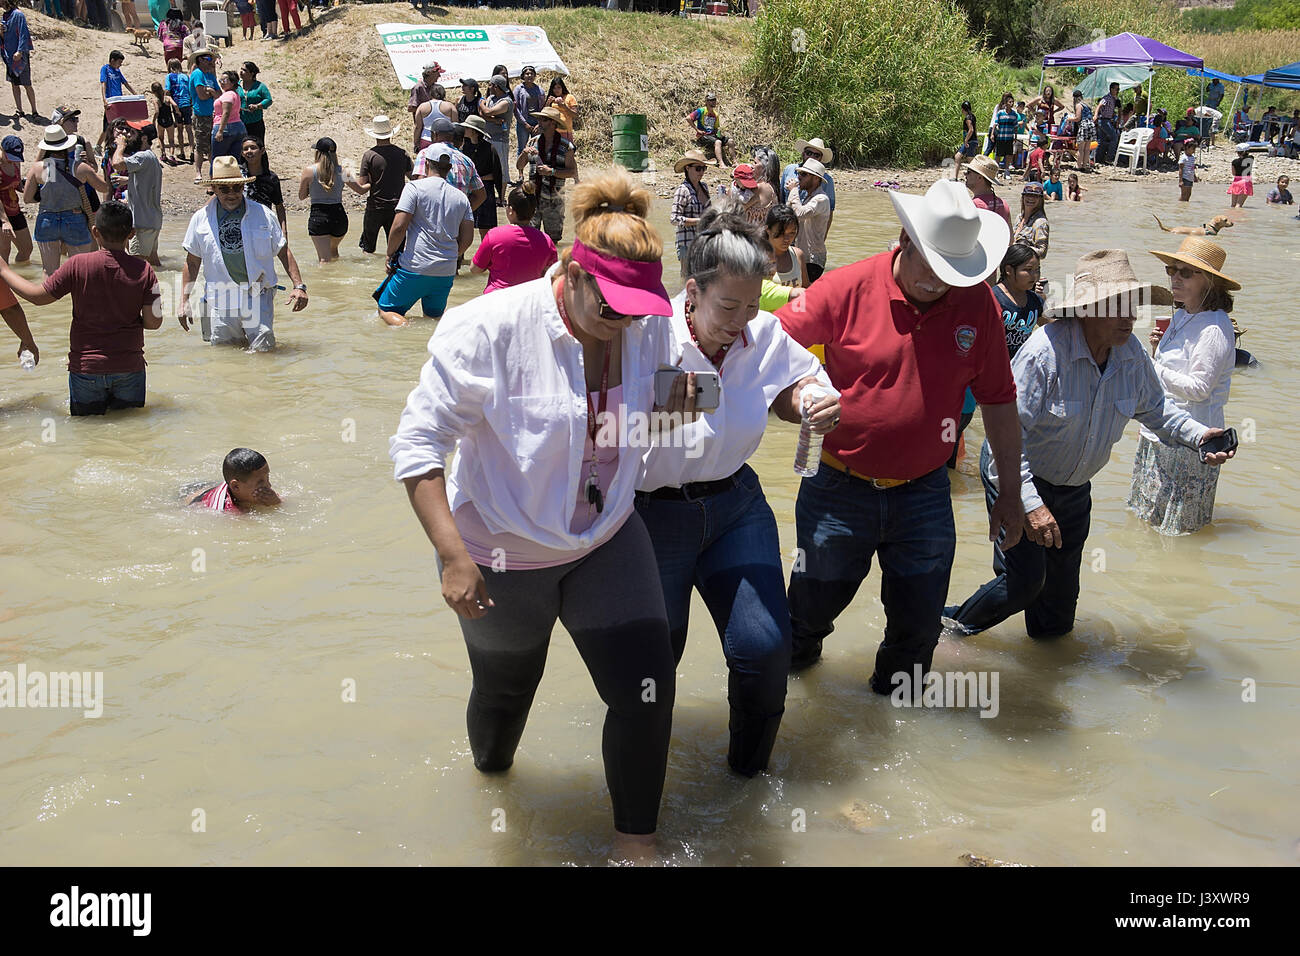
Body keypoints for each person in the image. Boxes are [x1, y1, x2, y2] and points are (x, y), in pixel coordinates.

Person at [389, 168, 690, 858]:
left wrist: (714, 374)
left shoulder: (645, 324)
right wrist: (452, 556)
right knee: (503, 705)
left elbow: (670, 404)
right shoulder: (488, 328)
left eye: (639, 307)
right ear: (572, 272)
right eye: (610, 304)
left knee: (646, 690)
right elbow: (417, 445)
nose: (626, 321)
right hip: (503, 554)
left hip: (607, 536)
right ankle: (490, 792)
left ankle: (634, 845)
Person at [775, 178, 1023, 686]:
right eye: (931, 267)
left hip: (926, 494)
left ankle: (894, 728)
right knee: (806, 617)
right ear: (905, 239)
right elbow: (767, 345)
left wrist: (1012, 494)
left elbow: (999, 401)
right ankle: (791, 705)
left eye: (952, 272)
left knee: (917, 632)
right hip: (838, 487)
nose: (940, 282)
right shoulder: (847, 287)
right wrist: (797, 395)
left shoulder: (978, 306)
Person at [635, 205, 838, 775]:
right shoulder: (648, 333)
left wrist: (814, 404)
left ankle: (744, 786)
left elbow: (799, 383)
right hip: (652, 515)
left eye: (752, 304)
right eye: (729, 306)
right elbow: (596, 417)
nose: (742, 320)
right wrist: (663, 405)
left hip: (735, 506)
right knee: (654, 663)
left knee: (764, 649)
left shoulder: (765, 333)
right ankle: (644, 789)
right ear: (691, 292)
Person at [944, 250, 1235, 639]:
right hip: (1017, 476)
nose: (1131, 318)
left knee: (1057, 620)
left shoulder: (1130, 354)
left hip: (1074, 490)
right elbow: (1005, 440)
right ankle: (948, 629)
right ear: (1088, 309)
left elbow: (1158, 411)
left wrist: (1201, 436)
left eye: (1133, 307)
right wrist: (1028, 504)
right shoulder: (1044, 353)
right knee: (1024, 582)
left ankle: (1039, 665)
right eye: (1119, 308)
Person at [0, 200, 161, 415]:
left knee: (87, 431)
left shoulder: (77, 265)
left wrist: (3, 270)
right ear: (131, 233)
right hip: (129, 366)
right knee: (130, 430)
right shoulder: (145, 271)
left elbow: (37, 297)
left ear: (95, 231)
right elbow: (153, 322)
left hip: (86, 369)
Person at [1128, 238, 1240, 535]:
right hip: (1161, 430)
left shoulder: (1214, 327)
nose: (1175, 277)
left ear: (1210, 282)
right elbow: (1170, 374)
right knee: (1147, 522)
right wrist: (1156, 352)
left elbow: (1199, 388)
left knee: (1179, 531)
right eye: (1171, 269)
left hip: (1193, 439)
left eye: (1186, 272)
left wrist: (1149, 365)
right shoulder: (1183, 315)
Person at [179, 155, 308, 351]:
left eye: (237, 187)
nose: (232, 193)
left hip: (258, 293)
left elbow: (283, 251)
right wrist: (184, 301)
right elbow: (192, 262)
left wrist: (299, 286)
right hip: (220, 297)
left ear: (243, 187)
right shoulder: (200, 219)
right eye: (224, 189)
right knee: (225, 355)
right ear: (213, 189)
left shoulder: (263, 214)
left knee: (264, 349)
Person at [375, 144, 472, 327]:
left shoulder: (414, 188)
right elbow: (467, 239)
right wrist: (450, 256)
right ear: (449, 168)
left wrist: (389, 253)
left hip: (415, 266)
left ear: (426, 164)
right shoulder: (461, 198)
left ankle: (408, 331)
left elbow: (398, 227)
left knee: (387, 309)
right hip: (446, 271)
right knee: (433, 318)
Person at [25, 125, 107, 278]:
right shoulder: (79, 167)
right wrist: (91, 168)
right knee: (81, 270)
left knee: (49, 272)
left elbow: (27, 198)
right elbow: (103, 188)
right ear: (67, 145)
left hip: (47, 219)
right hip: (74, 218)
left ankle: (49, 301)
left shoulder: (38, 168)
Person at [468, 184, 556, 294]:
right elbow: (552, 275)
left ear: (510, 210)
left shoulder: (494, 235)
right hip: (529, 301)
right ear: (533, 212)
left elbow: (474, 269)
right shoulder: (546, 241)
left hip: (496, 298)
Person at [298, 137, 364, 264]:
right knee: (333, 253)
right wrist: (373, 183)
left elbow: (301, 196)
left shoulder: (309, 171)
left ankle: (324, 284)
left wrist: (313, 189)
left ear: (318, 152)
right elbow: (360, 190)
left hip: (319, 216)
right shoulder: (344, 171)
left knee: (324, 260)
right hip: (339, 217)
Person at [517, 106, 576, 244]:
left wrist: (552, 172)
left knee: (553, 241)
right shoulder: (533, 142)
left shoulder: (566, 147)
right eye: (539, 119)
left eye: (543, 120)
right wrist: (524, 153)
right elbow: (519, 166)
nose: (539, 122)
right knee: (530, 239)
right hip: (532, 199)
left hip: (554, 200)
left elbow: (572, 172)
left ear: (552, 123)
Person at [355, 115, 412, 255]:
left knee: (368, 249)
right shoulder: (402, 153)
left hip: (375, 206)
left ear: (375, 135)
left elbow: (363, 183)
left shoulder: (369, 155)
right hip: (398, 207)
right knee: (397, 249)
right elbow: (414, 177)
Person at [110, 121, 163, 268]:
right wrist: (128, 180)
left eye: (131, 133)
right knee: (154, 265)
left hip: (142, 223)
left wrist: (120, 146)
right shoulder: (150, 157)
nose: (127, 135)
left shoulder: (142, 156)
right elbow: (147, 179)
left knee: (135, 266)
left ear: (144, 138)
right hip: (152, 220)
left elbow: (117, 164)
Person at [412, 116, 486, 214]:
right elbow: (481, 195)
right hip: (455, 219)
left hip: (430, 216)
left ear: (435, 135)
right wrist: (463, 213)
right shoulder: (466, 160)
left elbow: (420, 184)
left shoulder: (425, 154)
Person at [188, 448, 281, 512]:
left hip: (208, 488)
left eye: (267, 477)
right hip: (193, 499)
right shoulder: (227, 510)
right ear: (236, 486)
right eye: (260, 482)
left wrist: (276, 502)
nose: (268, 485)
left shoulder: (243, 486)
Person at [992, 242, 1043, 359]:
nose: (1034, 275)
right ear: (1009, 270)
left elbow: (1053, 327)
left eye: (1037, 270)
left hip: (1021, 366)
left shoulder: (1034, 300)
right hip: (996, 365)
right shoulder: (993, 299)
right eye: (1028, 269)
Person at [455, 115, 502, 240]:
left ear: (474, 131)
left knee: (486, 230)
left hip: (485, 191)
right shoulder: (464, 147)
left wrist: (501, 197)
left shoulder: (490, 148)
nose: (464, 129)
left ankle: (487, 256)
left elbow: (497, 174)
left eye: (467, 127)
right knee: (463, 225)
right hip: (468, 190)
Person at [784, 156, 830, 284]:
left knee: (806, 295)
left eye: (804, 174)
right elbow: (790, 215)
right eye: (799, 173)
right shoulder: (808, 198)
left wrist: (793, 190)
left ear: (816, 179)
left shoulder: (821, 199)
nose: (799, 177)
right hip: (802, 255)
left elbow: (800, 213)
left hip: (813, 259)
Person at [779, 137, 836, 239]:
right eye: (809, 153)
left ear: (821, 158)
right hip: (786, 230)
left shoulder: (827, 181)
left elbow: (829, 213)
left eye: (816, 155)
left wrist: (822, 238)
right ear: (803, 153)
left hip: (807, 235)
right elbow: (781, 200)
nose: (811, 157)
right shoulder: (789, 170)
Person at [669, 149, 710, 280]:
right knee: (688, 279)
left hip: (703, 242)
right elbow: (674, 219)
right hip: (687, 243)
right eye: (698, 169)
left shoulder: (705, 187)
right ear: (687, 168)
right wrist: (699, 221)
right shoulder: (682, 190)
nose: (702, 172)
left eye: (704, 168)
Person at [238, 135, 285, 234]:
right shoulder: (237, 175)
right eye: (245, 149)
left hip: (263, 226)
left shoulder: (271, 178)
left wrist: (284, 233)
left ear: (262, 151)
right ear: (242, 153)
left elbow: (279, 207)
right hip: (241, 225)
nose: (249, 151)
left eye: (253, 148)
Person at [1, 0, 36, 120]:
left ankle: (34, 110)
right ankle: (20, 110)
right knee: (14, 84)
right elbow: (4, 36)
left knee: (27, 84)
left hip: (19, 55)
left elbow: (23, 34)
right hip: (9, 55)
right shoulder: (4, 16)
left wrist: (20, 51)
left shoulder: (18, 14)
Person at [188, 49, 219, 184]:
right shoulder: (197, 74)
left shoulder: (210, 76)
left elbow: (218, 94)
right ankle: (198, 172)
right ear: (201, 60)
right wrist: (210, 93)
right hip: (201, 115)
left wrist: (211, 91)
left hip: (213, 114)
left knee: (213, 145)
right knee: (200, 145)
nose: (211, 61)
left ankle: (213, 172)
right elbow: (201, 95)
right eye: (208, 58)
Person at [0, 135, 32, 265]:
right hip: (1, 213)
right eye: (11, 157)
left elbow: (17, 184)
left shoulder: (16, 161)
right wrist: (4, 221)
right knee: (4, 252)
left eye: (16, 158)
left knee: (26, 249)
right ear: (2, 149)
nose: (14, 161)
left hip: (14, 209)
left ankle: (18, 277)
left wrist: (29, 190)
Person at [481, 74, 514, 194]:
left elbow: (487, 111)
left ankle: (501, 196)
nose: (489, 87)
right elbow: (482, 113)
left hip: (499, 140)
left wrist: (481, 104)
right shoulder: (491, 98)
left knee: (502, 169)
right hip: (487, 137)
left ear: (496, 86)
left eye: (491, 85)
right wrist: (493, 120)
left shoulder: (506, 101)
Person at [210, 70, 247, 173]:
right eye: (220, 80)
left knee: (217, 159)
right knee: (234, 160)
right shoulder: (234, 94)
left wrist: (220, 131)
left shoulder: (228, 95)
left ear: (232, 82)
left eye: (224, 80)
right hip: (238, 127)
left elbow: (226, 113)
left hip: (225, 127)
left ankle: (214, 183)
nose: (221, 82)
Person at [765, 203, 807, 290]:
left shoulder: (798, 255)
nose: (787, 239)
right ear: (768, 230)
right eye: (781, 233)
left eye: (792, 233)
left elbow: (806, 288)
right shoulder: (756, 258)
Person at [99, 51, 136, 145]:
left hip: (120, 102)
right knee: (107, 127)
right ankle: (99, 145)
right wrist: (104, 100)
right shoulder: (105, 69)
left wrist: (135, 94)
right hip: (111, 102)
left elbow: (125, 83)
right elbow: (103, 84)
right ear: (112, 60)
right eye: (119, 62)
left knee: (119, 125)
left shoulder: (118, 71)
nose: (120, 64)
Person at [687, 92, 730, 168]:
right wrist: (697, 130)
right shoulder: (701, 111)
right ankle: (721, 163)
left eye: (714, 100)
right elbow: (688, 118)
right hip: (703, 136)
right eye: (711, 100)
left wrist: (719, 134)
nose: (713, 102)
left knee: (730, 141)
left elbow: (716, 128)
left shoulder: (715, 114)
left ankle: (734, 162)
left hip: (712, 136)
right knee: (718, 142)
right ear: (706, 102)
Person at [965, 154, 1010, 226]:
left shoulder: (973, 205)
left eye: (969, 172)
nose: (965, 174)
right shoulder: (1003, 204)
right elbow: (1009, 235)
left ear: (979, 177)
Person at [164, 58, 194, 164]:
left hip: (177, 103)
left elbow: (167, 92)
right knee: (189, 129)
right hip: (187, 103)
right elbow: (191, 90)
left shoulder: (169, 77)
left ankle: (182, 151)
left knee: (180, 129)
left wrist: (173, 105)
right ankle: (192, 151)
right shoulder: (186, 76)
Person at [729, 162, 775, 227]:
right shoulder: (768, 185)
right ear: (736, 179)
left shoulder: (756, 189)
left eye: (755, 163)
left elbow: (740, 208)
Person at [512, 65, 544, 161]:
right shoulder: (519, 89)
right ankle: (520, 172)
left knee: (536, 148)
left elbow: (542, 108)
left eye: (531, 74)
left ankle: (534, 170)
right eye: (527, 74)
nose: (529, 75)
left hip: (536, 122)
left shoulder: (539, 90)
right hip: (523, 122)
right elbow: (515, 108)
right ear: (523, 76)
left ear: (535, 76)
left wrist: (539, 124)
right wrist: (525, 123)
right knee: (522, 148)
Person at [413, 83, 455, 154]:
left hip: (426, 139)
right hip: (445, 140)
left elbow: (418, 127)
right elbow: (455, 125)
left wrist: (416, 143)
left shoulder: (422, 107)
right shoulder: (450, 106)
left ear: (431, 93)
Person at [1013, 182, 1049, 261]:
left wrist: (1021, 248)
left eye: (1035, 196)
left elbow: (1042, 253)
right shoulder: (1018, 217)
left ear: (1040, 200)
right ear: (1023, 197)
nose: (1031, 198)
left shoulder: (1041, 222)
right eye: (1028, 195)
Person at [238, 62, 271, 143]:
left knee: (257, 145)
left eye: (244, 70)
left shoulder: (260, 86)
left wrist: (257, 106)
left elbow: (268, 100)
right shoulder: (237, 85)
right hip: (240, 122)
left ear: (252, 73)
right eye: (241, 69)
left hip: (255, 123)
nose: (241, 72)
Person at [544, 76, 577, 142]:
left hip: (565, 130)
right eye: (554, 88)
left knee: (566, 151)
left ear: (562, 87)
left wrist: (564, 106)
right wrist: (548, 103)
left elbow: (575, 115)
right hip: (552, 131)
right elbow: (544, 114)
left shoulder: (569, 97)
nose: (557, 90)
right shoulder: (551, 99)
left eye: (559, 87)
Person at [1069, 89, 1095, 172]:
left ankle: (1078, 166)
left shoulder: (1078, 105)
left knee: (1081, 148)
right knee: (1087, 148)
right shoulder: (1086, 105)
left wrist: (1069, 119)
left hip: (1084, 125)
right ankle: (1084, 165)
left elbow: (1077, 118)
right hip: (1091, 125)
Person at [992, 92, 1018, 172]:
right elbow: (995, 124)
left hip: (1009, 137)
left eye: (1012, 102)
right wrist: (992, 134)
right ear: (1006, 103)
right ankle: (996, 170)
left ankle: (1007, 171)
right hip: (1001, 137)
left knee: (1009, 154)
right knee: (998, 154)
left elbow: (1015, 127)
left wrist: (1015, 137)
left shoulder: (1014, 114)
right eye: (1010, 102)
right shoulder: (1000, 113)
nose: (1011, 103)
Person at [1096, 81, 1121, 165]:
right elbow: (1099, 105)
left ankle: (1097, 158)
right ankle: (1109, 158)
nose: (1118, 91)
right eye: (1116, 89)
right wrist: (1096, 115)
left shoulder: (1114, 99)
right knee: (1114, 137)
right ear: (1111, 89)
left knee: (1101, 140)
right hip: (1104, 120)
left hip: (1105, 120)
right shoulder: (1107, 98)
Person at [953, 100, 978, 181]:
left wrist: (966, 140)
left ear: (963, 109)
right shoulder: (972, 116)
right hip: (972, 141)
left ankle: (976, 177)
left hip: (969, 141)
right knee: (958, 156)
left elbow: (971, 130)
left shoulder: (968, 118)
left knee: (971, 161)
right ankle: (955, 177)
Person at [1227, 143, 1253, 208]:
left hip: (1236, 182)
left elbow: (1234, 173)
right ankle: (1239, 217)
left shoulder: (1234, 162)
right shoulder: (1250, 159)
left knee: (1233, 205)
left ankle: (1232, 216)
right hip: (1246, 181)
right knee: (1239, 205)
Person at [1178, 137, 1199, 203]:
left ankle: (1185, 205)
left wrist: (1194, 177)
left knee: (1189, 194)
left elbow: (1192, 168)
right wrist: (1180, 180)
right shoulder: (1184, 158)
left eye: (1194, 149)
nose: (1194, 151)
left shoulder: (1192, 157)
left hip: (1190, 178)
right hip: (1185, 178)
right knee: (1184, 194)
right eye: (1193, 149)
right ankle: (1180, 204)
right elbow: (1180, 169)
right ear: (1186, 148)